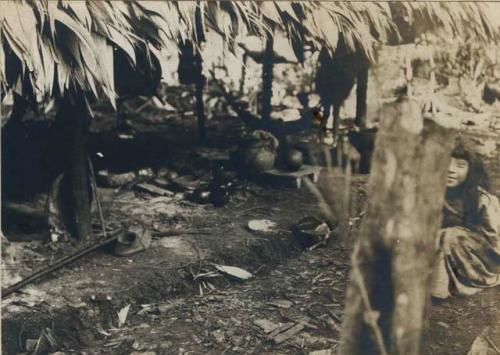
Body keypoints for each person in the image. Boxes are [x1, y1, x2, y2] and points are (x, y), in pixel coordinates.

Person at [431, 141, 500, 298]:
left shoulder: (482, 199)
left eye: (460, 165)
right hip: (446, 247)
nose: (450, 170)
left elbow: (494, 243)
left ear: (471, 171)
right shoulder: (434, 192)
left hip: (481, 255)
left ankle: (443, 287)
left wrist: (458, 235)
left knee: (451, 235)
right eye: (446, 163)